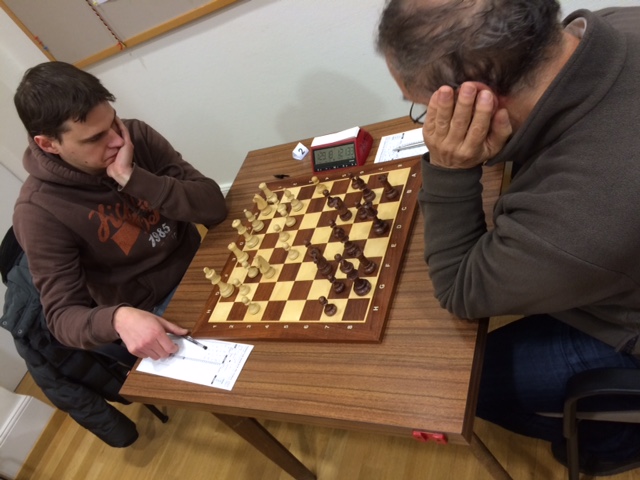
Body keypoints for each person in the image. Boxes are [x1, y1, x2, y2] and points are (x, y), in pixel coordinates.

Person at [377, 0, 640, 476]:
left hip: (627, 325)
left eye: (423, 105)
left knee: (468, 386)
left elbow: (460, 289)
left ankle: (616, 440)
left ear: (477, 102)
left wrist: (451, 166)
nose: (427, 118)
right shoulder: (616, 22)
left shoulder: (576, 219)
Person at [12, 61, 227, 362]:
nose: (117, 140)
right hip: (156, 309)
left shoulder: (135, 134)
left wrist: (135, 179)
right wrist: (117, 318)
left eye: (113, 121)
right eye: (94, 138)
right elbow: (62, 317)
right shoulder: (38, 211)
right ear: (48, 144)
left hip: (205, 259)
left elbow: (214, 207)